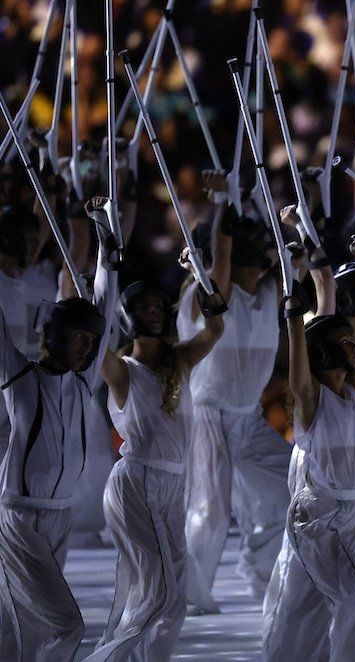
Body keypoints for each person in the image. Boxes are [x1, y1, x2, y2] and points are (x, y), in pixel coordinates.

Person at [85, 265, 226, 661]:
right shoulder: (122, 371)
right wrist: (101, 279)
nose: (155, 311)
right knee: (164, 594)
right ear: (127, 315)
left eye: (158, 305)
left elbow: (214, 331)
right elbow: (97, 347)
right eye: (144, 306)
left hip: (170, 486)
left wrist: (202, 279)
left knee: (163, 591)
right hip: (136, 484)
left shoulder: (179, 362)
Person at [265, 230, 355, 660]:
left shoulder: (353, 390)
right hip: (319, 515)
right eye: (342, 341)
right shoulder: (311, 400)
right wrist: (292, 317)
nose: (353, 344)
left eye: (351, 339)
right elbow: (299, 363)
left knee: (309, 604)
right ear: (323, 352)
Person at [0, 197, 115, 660]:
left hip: (60, 514)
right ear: (51, 337)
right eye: (79, 339)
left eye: (91, 342)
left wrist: (107, 242)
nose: (88, 348)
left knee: (21, 620)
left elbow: (106, 308)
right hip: (21, 517)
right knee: (64, 623)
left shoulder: (83, 380)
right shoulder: (19, 378)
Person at [178, 171, 293, 611]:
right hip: (209, 413)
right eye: (252, 253)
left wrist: (266, 204)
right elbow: (222, 257)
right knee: (209, 512)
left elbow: (286, 256)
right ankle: (187, 596)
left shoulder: (268, 293)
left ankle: (263, 577)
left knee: (284, 491)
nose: (261, 260)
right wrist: (224, 202)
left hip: (248, 416)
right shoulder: (207, 294)